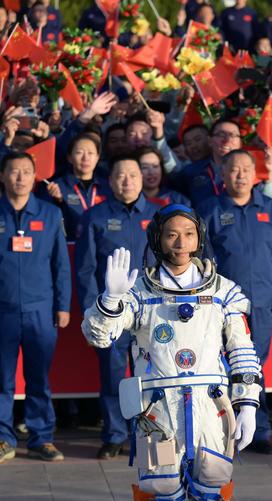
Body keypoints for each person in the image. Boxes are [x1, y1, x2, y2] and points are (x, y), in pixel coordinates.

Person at [81, 204, 261, 501]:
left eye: (189, 234)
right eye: (171, 235)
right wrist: (110, 300)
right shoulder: (139, 292)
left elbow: (242, 349)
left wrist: (248, 402)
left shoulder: (224, 291)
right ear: (157, 240)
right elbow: (100, 336)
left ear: (200, 239)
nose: (181, 243)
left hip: (212, 413)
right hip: (158, 415)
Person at [196, 149, 272, 455]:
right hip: (221, 306)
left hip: (262, 303)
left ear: (256, 175)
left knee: (254, 366)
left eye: (246, 170)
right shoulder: (208, 210)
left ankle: (258, 429)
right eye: (233, 170)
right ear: (222, 175)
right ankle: (221, 428)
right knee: (219, 366)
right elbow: (201, 260)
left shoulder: (270, 209)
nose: (240, 175)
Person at [74, 154, 164, 459]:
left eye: (133, 175)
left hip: (150, 312)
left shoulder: (158, 215)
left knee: (152, 375)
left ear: (143, 179)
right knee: (113, 375)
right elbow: (85, 268)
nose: (127, 181)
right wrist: (93, 310)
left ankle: (151, 433)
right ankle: (114, 434)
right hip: (111, 311)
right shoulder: (95, 217)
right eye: (120, 176)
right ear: (110, 181)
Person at [0, 152, 71, 463]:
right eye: (14, 171)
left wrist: (62, 306)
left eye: (26, 172)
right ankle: (4, 438)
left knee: (38, 378)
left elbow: (61, 265)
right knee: (2, 379)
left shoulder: (50, 214)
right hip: (2, 311)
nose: (20, 178)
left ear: (34, 176)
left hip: (41, 310)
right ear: (2, 176)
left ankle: (42, 438)